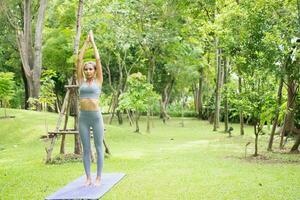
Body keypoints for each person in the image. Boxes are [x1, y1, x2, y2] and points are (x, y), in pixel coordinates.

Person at [76, 30, 104, 186]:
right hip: (84, 118)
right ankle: (88, 178)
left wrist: (93, 42)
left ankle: (98, 178)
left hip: (96, 117)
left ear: (94, 71)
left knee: (99, 147)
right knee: (86, 149)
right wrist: (85, 43)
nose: (87, 71)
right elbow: (79, 60)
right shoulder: (80, 81)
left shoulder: (98, 81)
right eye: (86, 69)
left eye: (90, 69)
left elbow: (98, 59)